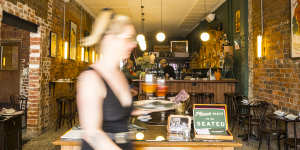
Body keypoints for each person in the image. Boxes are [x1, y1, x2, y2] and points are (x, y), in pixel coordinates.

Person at [77, 9, 149, 150]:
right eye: (128, 38)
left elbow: (115, 109)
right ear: (109, 39)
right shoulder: (91, 78)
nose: (134, 44)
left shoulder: (119, 74)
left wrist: (144, 109)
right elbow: (93, 134)